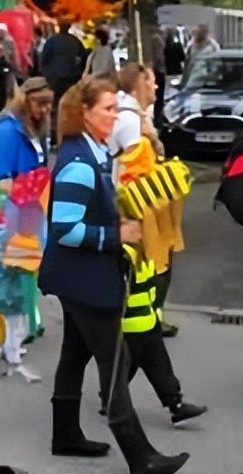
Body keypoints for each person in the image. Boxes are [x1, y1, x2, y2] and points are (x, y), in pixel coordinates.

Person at [39, 76, 189, 474]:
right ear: (84, 113)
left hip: (79, 278)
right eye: (107, 108)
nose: (115, 115)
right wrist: (115, 234)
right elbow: (64, 229)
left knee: (74, 354)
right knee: (114, 363)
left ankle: (65, 435)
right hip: (85, 280)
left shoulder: (92, 153)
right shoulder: (79, 163)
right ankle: (142, 459)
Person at [108, 64, 184, 337]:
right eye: (150, 82)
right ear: (138, 84)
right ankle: (146, 315)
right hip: (141, 201)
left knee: (153, 258)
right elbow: (133, 168)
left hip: (142, 199)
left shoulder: (135, 115)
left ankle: (148, 313)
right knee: (152, 258)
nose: (156, 87)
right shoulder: (130, 120)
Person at [0, 77, 55, 341]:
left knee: (28, 267)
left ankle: (29, 318)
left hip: (33, 204)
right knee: (12, 269)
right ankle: (14, 328)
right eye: (40, 104)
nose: (46, 110)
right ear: (24, 101)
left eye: (49, 104)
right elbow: (1, 176)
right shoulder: (8, 131)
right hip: (16, 206)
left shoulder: (34, 129)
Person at [117, 238, 206, 424]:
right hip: (134, 323)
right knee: (153, 364)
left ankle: (112, 397)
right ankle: (174, 405)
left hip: (143, 321)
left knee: (139, 363)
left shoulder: (142, 249)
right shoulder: (126, 253)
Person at [39, 23, 87, 137]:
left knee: (54, 108)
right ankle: (71, 131)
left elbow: (43, 60)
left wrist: (47, 75)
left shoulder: (51, 41)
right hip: (71, 81)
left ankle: (55, 135)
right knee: (70, 107)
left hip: (55, 81)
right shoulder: (75, 42)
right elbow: (84, 60)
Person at [150, 28, 167, 130]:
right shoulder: (158, 40)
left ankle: (158, 119)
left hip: (157, 70)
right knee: (159, 97)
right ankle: (158, 121)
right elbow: (159, 56)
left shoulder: (155, 39)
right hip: (159, 71)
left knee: (159, 97)